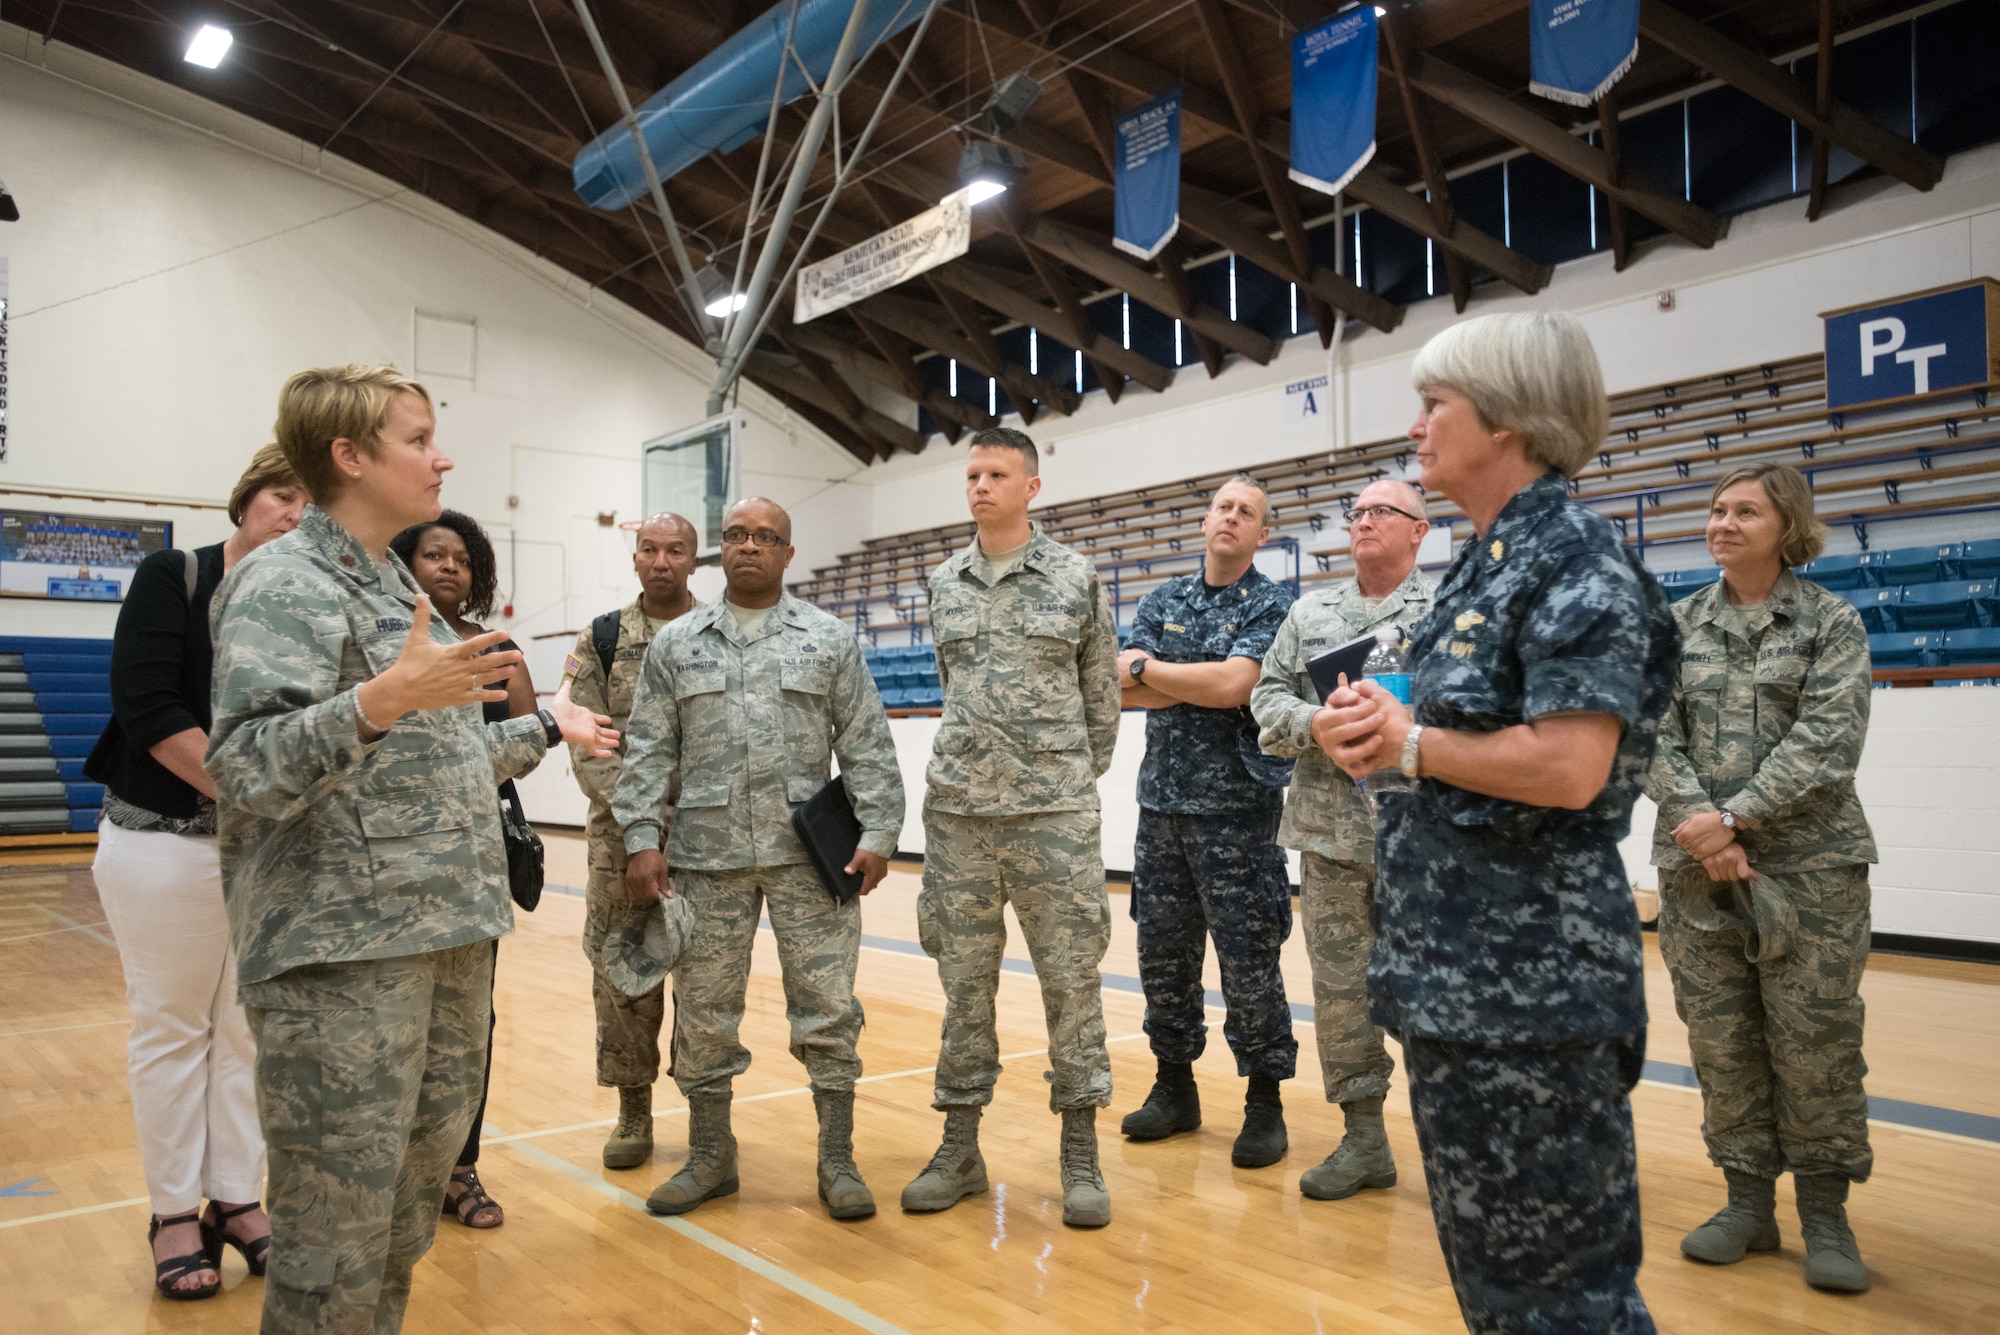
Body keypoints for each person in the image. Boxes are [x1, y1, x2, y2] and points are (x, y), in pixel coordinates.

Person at [206, 364, 615, 1335]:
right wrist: (376, 702)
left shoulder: (395, 584)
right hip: (340, 960)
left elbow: (440, 768)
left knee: (395, 1233)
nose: (442, 457)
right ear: (349, 456)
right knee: (330, 1249)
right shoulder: (283, 583)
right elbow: (246, 766)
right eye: (419, 438)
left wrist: (548, 726)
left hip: (446, 941)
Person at [1317, 311, 1676, 1333]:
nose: (1417, 426)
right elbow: (1449, 744)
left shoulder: (1572, 562)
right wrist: (1383, 733)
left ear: (1507, 421)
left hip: (1533, 998)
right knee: (1500, 1292)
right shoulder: (1484, 564)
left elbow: (1568, 767)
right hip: (1457, 983)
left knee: (1562, 1300)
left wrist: (1411, 745)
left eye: (1436, 405)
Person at [614, 497, 903, 1221]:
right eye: (738, 535)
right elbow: (649, 747)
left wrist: (879, 832)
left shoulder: (828, 639)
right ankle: (712, 1156)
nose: (750, 546)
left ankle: (836, 1157)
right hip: (706, 859)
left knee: (829, 1009)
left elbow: (866, 740)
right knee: (704, 1014)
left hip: (812, 860)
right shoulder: (676, 644)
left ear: (787, 551)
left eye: (765, 536)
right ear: (722, 548)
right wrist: (641, 837)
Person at [1645, 462, 1878, 1294]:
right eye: (1716, 508)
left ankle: (1825, 1213)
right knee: (1723, 1045)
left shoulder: (1830, 622)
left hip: (1810, 870)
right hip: (1697, 871)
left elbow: (1828, 740)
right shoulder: (1672, 626)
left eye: (1746, 510)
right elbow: (1649, 735)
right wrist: (1706, 832)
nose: (1725, 521)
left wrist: (1735, 819)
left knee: (1815, 1044)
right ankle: (1746, 1202)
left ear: (1788, 527)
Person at [84, 444, 304, 1300]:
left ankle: (237, 1199)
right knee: (173, 1029)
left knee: (247, 1033)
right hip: (164, 844)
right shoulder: (172, 575)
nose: (294, 514)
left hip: (264, 851)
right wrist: (250, 792)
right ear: (246, 500)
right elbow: (149, 711)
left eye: (310, 506)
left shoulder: (300, 606)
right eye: (281, 496)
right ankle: (174, 1211)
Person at [901, 427, 1121, 1229]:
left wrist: (1057, 777)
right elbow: (950, 682)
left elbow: (1103, 699)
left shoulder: (1074, 577)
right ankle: (959, 1146)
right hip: (960, 817)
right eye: (972, 474)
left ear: (1031, 485)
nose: (980, 486)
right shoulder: (944, 580)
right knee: (963, 987)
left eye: (997, 473)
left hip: (1053, 815)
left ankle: (1080, 1149)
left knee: (1072, 982)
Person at [1249, 477, 1436, 1202]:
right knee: (1339, 996)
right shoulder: (1311, 611)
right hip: (1329, 836)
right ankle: (1364, 1139)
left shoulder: (1447, 611)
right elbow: (1266, 695)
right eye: (1356, 512)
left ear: (1419, 530)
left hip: (1425, 840)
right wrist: (1313, 724)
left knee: (1438, 994)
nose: (1363, 522)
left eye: (1381, 511)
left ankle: (1456, 1140)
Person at [1114, 475, 1298, 1167]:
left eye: (1247, 511)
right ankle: (1174, 1087)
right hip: (1160, 808)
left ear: (1259, 533)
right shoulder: (1165, 599)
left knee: (1250, 960)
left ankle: (1264, 1101)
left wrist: (1153, 666)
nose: (1231, 517)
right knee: (1162, 956)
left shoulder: (1274, 604)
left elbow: (1235, 686)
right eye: (1223, 506)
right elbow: (1125, 689)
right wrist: (1170, 675)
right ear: (1205, 521)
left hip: (1239, 814)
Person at [389, 509, 538, 1230]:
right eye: (432, 554)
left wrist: (508, 660)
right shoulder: (392, 645)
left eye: (460, 558)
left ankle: (459, 1166)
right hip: (401, 855)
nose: (448, 566)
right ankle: (395, 1167)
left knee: (470, 1022)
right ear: (405, 563)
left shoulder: (494, 645)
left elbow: (531, 732)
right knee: (397, 1019)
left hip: (476, 855)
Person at [560, 512, 701, 1172]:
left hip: (706, 840)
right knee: (623, 975)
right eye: (650, 548)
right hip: (620, 840)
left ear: (694, 561)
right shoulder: (604, 637)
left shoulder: (723, 632)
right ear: (635, 556)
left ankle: (707, 1110)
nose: (662, 560)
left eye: (676, 550)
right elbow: (590, 744)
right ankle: (634, 1108)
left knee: (706, 981)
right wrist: (643, 823)